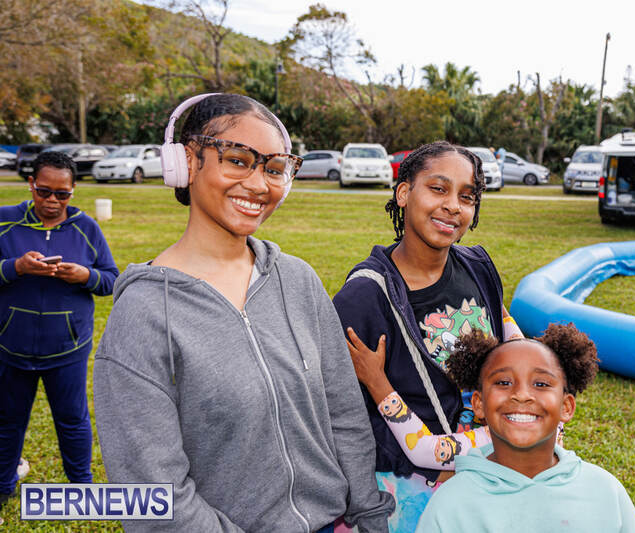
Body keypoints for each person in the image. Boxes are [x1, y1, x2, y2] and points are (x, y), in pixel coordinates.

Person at [93, 93, 393, 532]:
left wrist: (369, 517)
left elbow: (345, 417)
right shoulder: (142, 314)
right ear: (185, 162)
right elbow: (153, 495)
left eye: (273, 169)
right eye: (237, 159)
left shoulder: (299, 280)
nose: (258, 185)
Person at [333, 141, 523, 531]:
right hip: (410, 486)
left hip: (487, 467)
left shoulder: (479, 266)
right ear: (404, 192)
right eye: (438, 189)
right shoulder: (366, 295)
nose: (454, 205)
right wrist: (434, 470)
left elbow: (504, 328)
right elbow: (343, 414)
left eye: (467, 197)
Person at [415, 325, 635, 532]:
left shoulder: (605, 491)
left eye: (541, 384)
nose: (522, 395)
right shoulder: (450, 506)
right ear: (479, 404)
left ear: (566, 406)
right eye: (504, 382)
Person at [0, 151, 118, 511]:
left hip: (67, 347)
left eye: (62, 194)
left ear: (73, 190)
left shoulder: (87, 228)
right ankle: (3, 485)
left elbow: (110, 280)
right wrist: (15, 267)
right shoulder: (5, 222)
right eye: (44, 192)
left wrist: (85, 276)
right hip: (10, 345)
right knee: (7, 421)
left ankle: (81, 489)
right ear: (32, 184)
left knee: (72, 420)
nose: (52, 201)